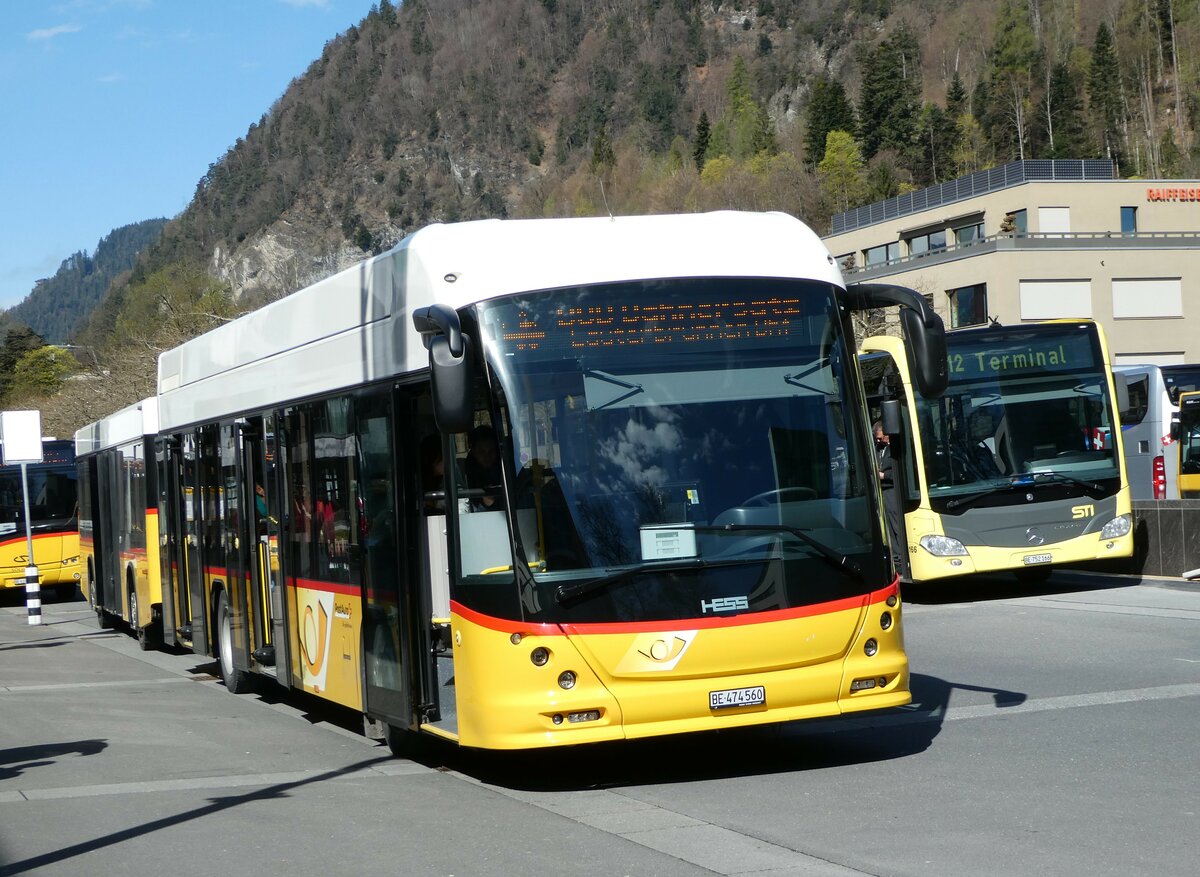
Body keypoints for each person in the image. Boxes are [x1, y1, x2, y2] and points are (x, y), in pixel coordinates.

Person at [463, 424, 504, 509]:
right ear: (473, 452)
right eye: (481, 451)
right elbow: (475, 502)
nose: (487, 456)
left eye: (491, 450)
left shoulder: (505, 466)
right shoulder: (471, 469)